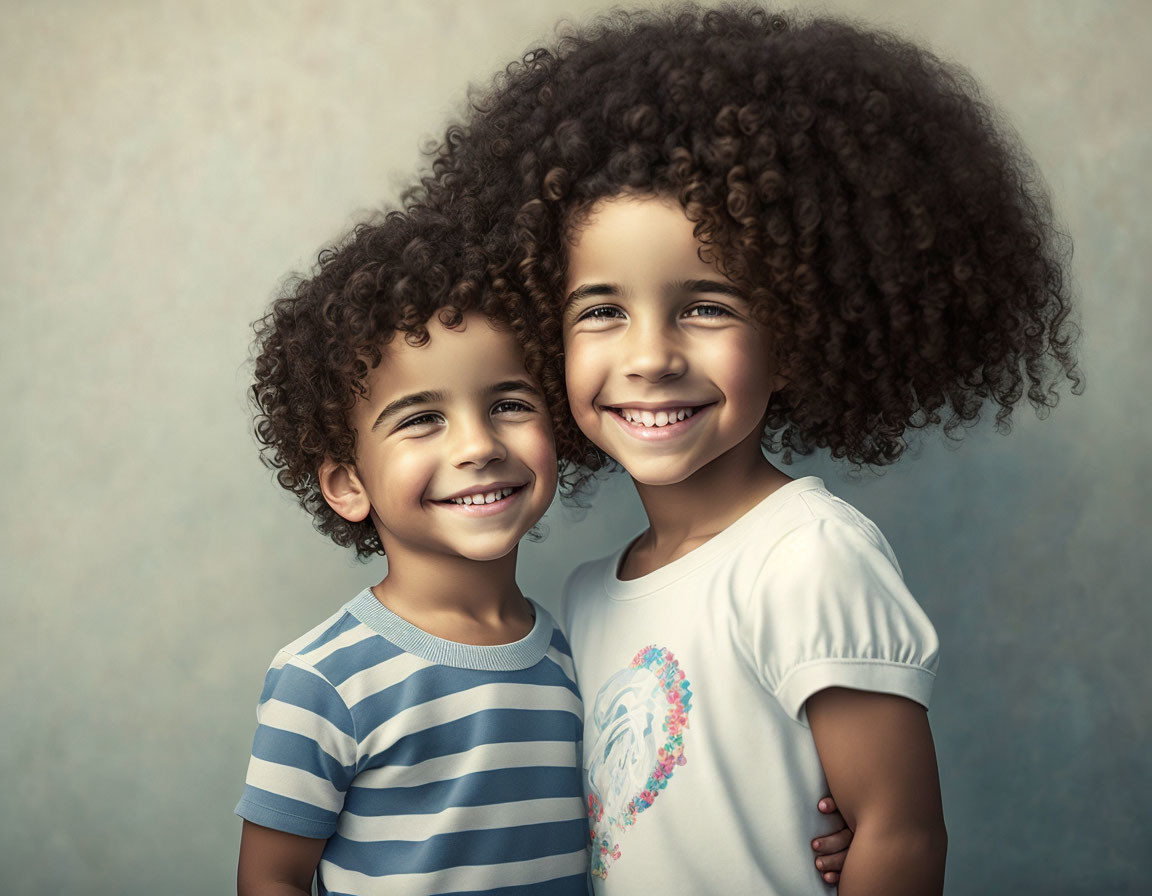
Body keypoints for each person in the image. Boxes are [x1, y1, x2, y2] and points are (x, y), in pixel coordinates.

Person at [409, 5, 1081, 894]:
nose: (649, 357)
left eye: (706, 306)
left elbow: (900, 833)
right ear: (544, 343)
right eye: (603, 310)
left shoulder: (806, 557)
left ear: (797, 332)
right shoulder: (584, 599)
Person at [233, 207, 858, 893]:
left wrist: (818, 834)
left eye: (508, 405)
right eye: (422, 420)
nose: (477, 446)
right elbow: (271, 880)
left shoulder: (569, 655)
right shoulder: (321, 682)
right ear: (348, 484)